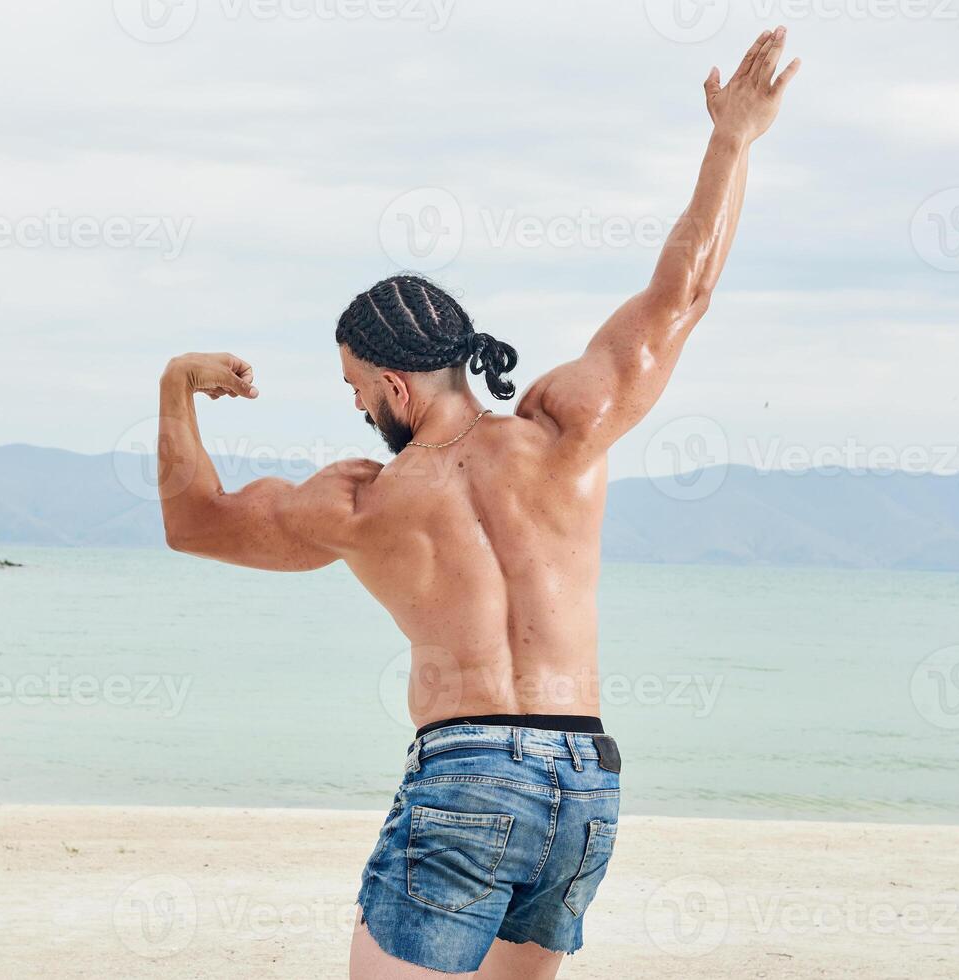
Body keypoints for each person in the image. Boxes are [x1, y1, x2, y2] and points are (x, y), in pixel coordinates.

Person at [156, 26, 799, 979]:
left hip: (468, 776)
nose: (357, 406)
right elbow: (683, 295)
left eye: (355, 387)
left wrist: (177, 384)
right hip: (586, 784)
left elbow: (192, 521)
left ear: (396, 388)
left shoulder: (364, 503)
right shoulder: (566, 428)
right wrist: (733, 142)